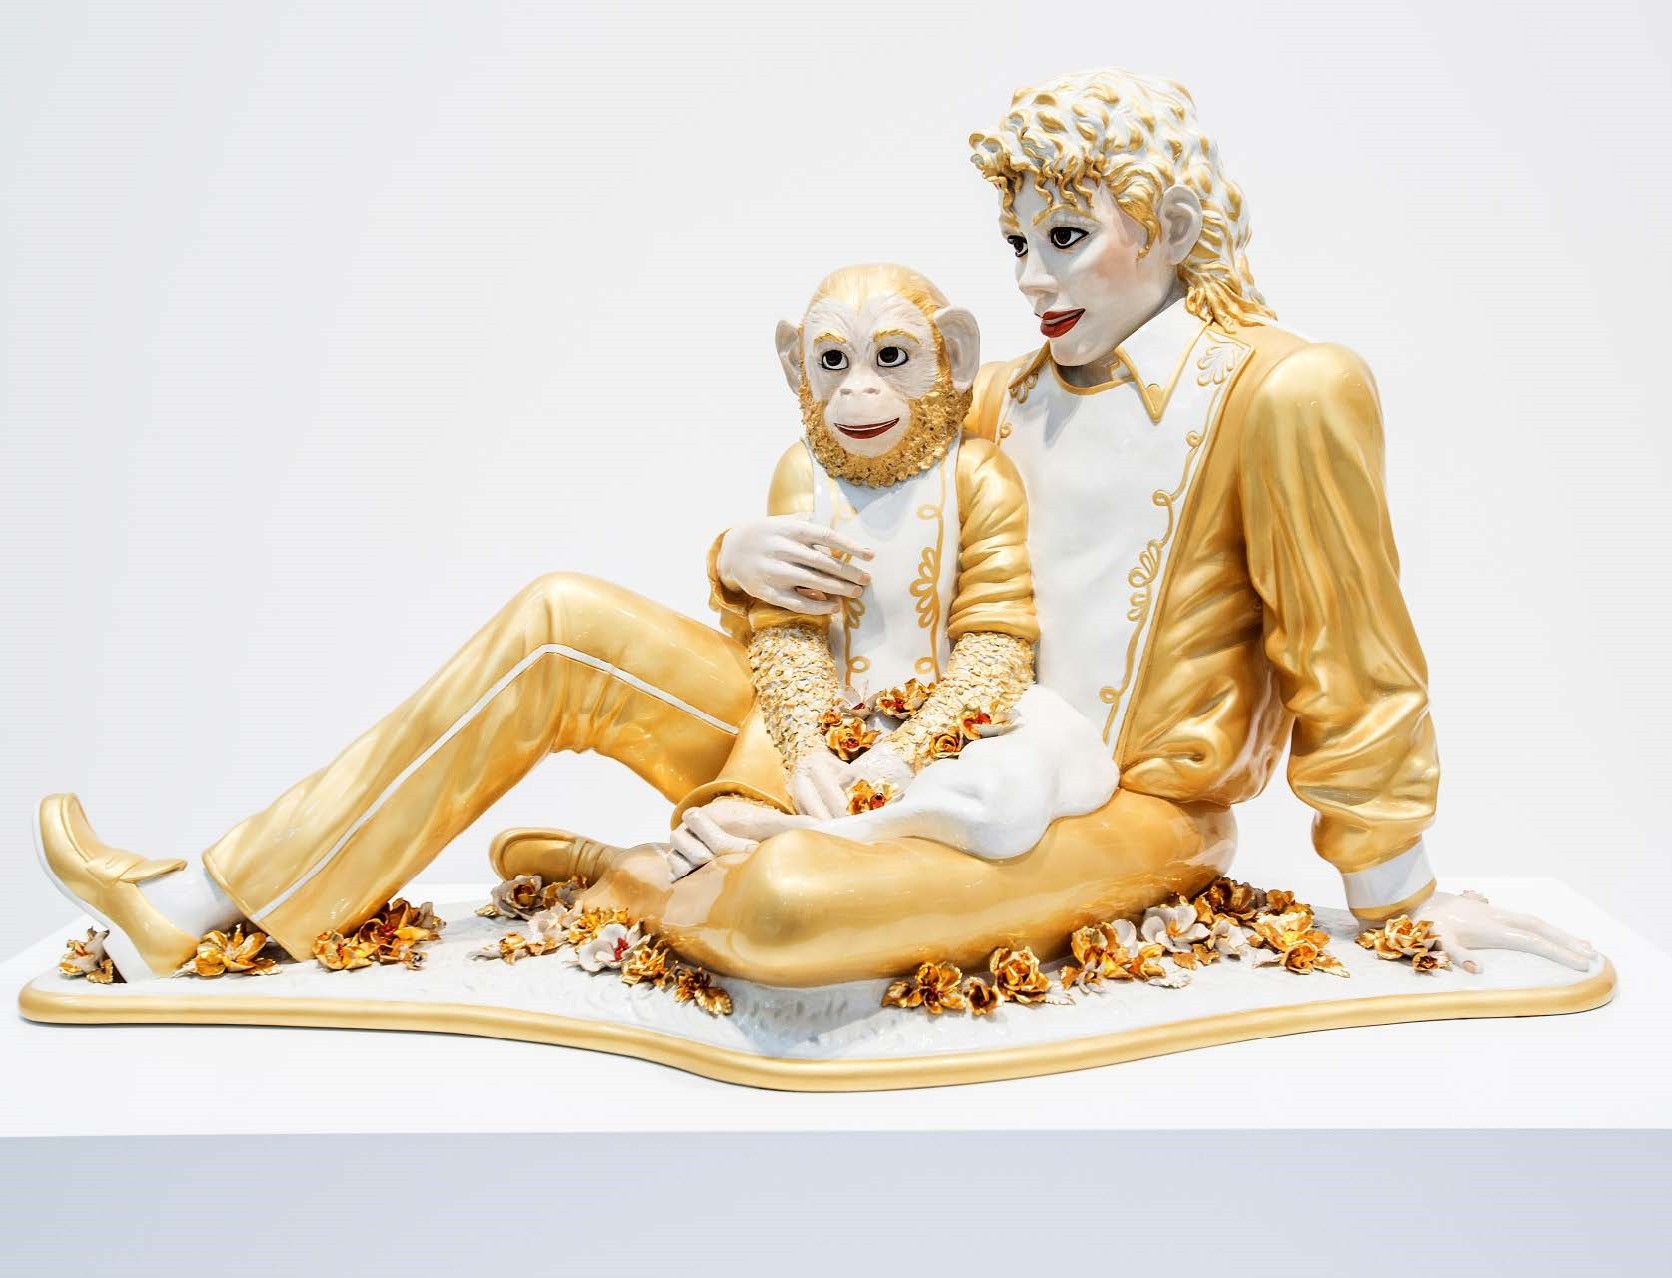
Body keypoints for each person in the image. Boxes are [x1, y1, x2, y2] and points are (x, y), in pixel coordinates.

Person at [37, 68, 1592, 988]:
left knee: (785, 906)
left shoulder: (1288, 391)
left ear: (1171, 225)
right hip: (879, 724)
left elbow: (1352, 656)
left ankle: (633, 878)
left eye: (1069, 236)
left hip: (1113, 804)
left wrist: (1396, 896)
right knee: (561, 617)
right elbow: (869, 529)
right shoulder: (1000, 395)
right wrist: (734, 567)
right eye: (1018, 241)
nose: (1035, 277)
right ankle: (203, 901)